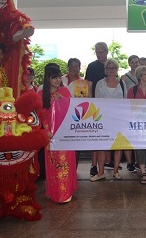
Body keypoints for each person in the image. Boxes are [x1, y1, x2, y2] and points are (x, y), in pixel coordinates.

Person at [38, 64, 77, 203]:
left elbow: (72, 111)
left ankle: (66, 191)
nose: (57, 80)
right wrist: (47, 131)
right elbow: (41, 115)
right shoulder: (41, 94)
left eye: (59, 77)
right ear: (47, 78)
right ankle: (55, 192)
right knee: (53, 163)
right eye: (54, 77)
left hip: (65, 133)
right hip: (51, 135)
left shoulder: (65, 92)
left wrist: (63, 102)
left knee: (66, 162)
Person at [92, 59, 132, 181]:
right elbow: (96, 102)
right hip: (103, 119)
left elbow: (125, 101)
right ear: (105, 70)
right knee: (102, 145)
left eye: (113, 68)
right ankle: (101, 172)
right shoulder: (99, 83)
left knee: (118, 145)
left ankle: (116, 171)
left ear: (117, 69)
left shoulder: (122, 83)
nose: (111, 70)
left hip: (118, 118)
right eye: (108, 68)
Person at [85, 42, 108, 177]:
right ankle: (94, 165)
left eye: (101, 52)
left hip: (108, 106)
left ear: (106, 51)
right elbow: (89, 84)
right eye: (97, 52)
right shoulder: (92, 66)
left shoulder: (111, 65)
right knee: (95, 135)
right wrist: (91, 101)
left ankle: (106, 163)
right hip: (96, 105)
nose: (99, 54)